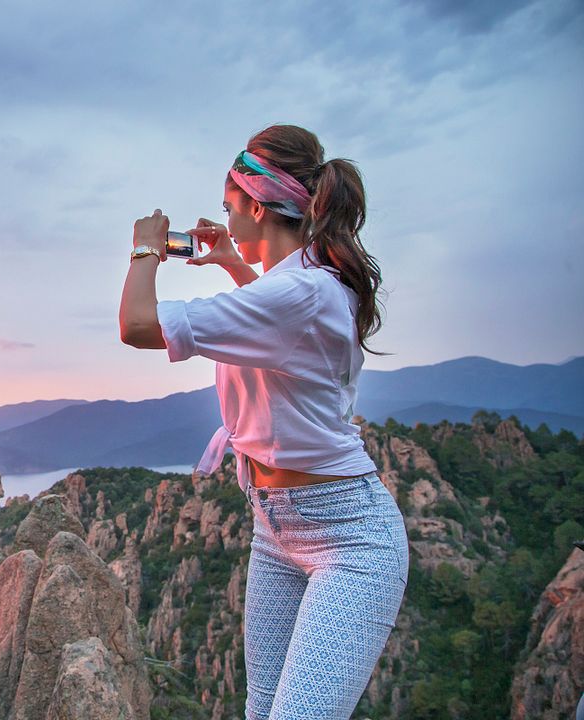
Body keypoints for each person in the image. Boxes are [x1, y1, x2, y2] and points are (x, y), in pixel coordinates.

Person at [119, 124, 408, 719]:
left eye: (229, 210)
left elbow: (137, 325)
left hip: (348, 539)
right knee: (260, 711)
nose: (225, 224)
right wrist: (232, 263)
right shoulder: (304, 285)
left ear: (257, 204)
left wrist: (146, 247)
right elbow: (282, 331)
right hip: (274, 528)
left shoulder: (300, 293)